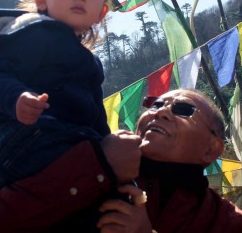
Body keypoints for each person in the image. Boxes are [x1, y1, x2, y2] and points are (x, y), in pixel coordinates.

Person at [0, 0, 142, 232]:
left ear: (101, 12)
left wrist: (113, 162)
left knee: (105, 201)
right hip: (30, 139)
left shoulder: (90, 62)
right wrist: (17, 99)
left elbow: (96, 118)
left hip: (71, 143)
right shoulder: (31, 33)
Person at [97, 89, 242, 233]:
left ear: (211, 149)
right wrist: (100, 168)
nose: (161, 112)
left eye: (184, 109)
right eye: (156, 105)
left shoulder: (229, 223)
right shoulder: (99, 169)